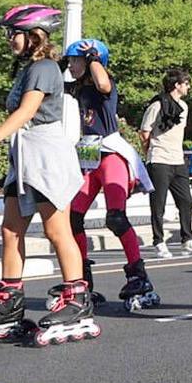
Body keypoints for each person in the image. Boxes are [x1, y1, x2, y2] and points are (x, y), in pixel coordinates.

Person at [0, 5, 97, 344]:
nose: (9, 40)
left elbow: (27, 111)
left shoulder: (46, 67)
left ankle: (76, 298)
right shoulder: (28, 70)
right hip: (24, 154)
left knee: (56, 229)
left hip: (46, 153)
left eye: (13, 33)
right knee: (10, 229)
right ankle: (9, 301)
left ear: (33, 36)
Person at [63, 38, 158, 312]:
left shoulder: (107, 86)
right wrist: (58, 62)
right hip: (90, 158)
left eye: (75, 59)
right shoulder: (78, 87)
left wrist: (93, 59)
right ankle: (82, 280)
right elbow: (54, 87)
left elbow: (103, 84)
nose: (72, 65)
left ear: (94, 60)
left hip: (112, 155)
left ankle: (138, 277)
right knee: (73, 219)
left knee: (115, 218)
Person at [139, 69, 192, 257]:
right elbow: (144, 133)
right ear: (177, 85)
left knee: (186, 200)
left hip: (177, 159)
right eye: (186, 83)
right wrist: (149, 153)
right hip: (159, 160)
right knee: (159, 204)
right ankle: (158, 241)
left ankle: (188, 239)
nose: (188, 87)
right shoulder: (157, 106)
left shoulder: (184, 107)